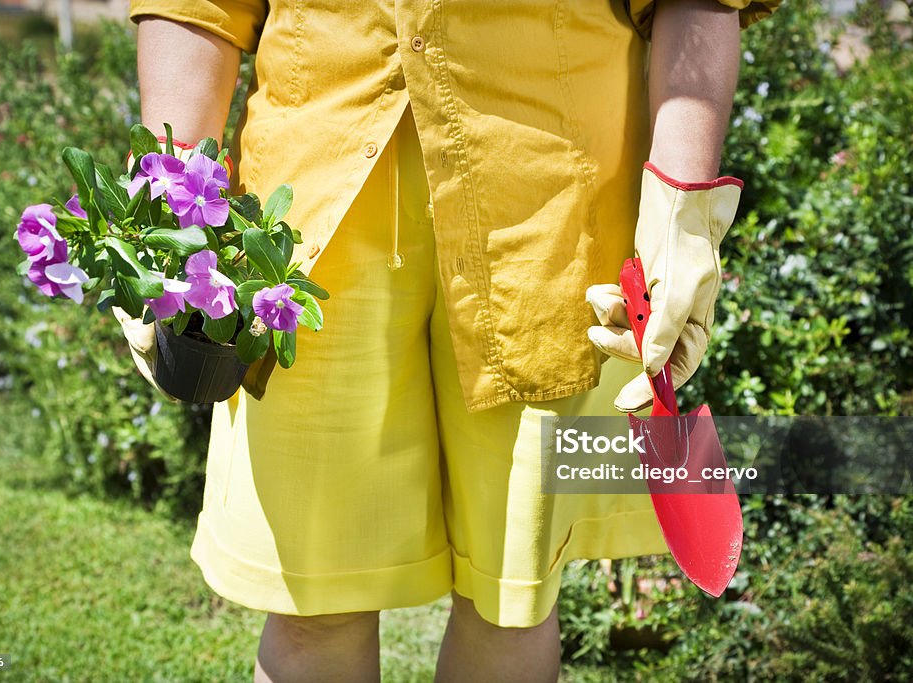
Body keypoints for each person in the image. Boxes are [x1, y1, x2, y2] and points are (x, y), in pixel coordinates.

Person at [119, 1, 780, 680]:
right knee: (310, 598)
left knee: (510, 599)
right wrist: (166, 196)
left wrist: (684, 206)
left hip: (548, 208)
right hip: (306, 215)